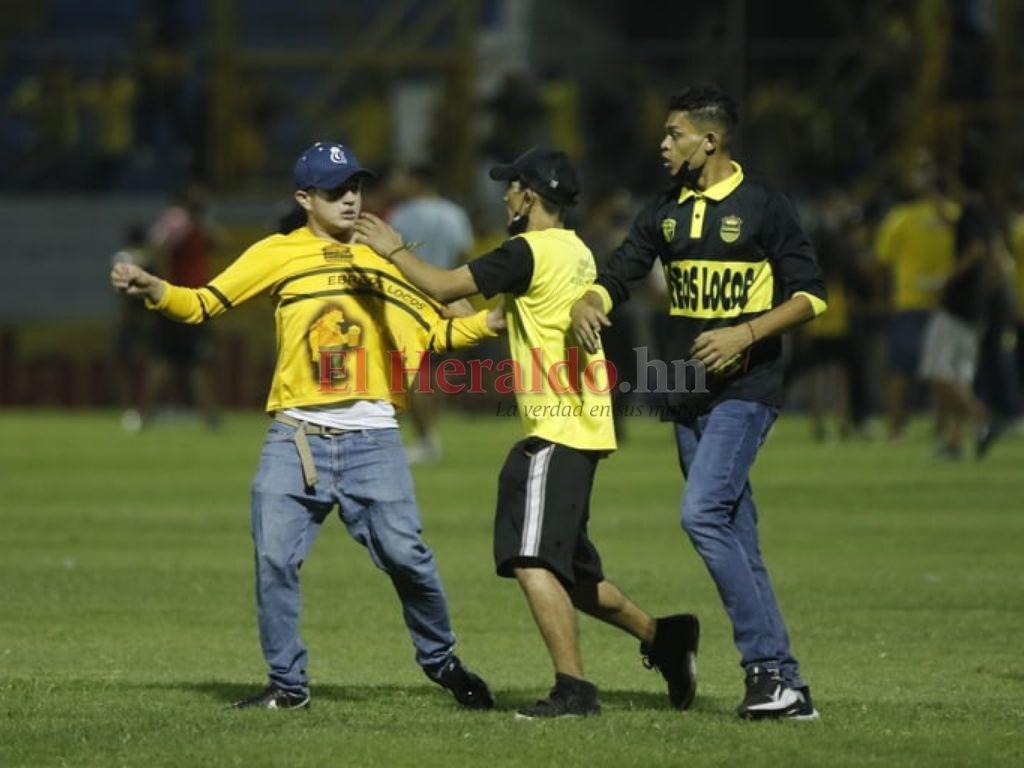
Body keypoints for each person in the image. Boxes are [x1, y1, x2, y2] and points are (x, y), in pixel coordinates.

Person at [111, 141, 501, 711]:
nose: (350, 199)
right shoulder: (275, 253)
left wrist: (494, 320)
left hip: (374, 437)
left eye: (356, 188)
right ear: (304, 198)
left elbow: (438, 334)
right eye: (335, 190)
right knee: (274, 557)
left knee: (408, 558)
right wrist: (156, 290)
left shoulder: (386, 256)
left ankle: (441, 660)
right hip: (296, 437)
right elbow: (202, 305)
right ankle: (288, 686)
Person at [354, 147, 699, 720]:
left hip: (556, 429)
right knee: (574, 573)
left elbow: (442, 287)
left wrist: (392, 251)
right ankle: (664, 637)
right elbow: (490, 311)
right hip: (583, 425)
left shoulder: (527, 250)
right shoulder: (574, 252)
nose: (505, 195)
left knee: (530, 558)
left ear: (530, 196)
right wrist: (458, 306)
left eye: (511, 186)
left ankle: (575, 691)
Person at [570, 86, 827, 721]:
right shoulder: (666, 211)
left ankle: (765, 669)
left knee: (702, 515)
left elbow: (811, 296)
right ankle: (786, 687)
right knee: (737, 534)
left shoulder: (764, 206)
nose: (663, 145)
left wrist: (746, 332)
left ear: (708, 141)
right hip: (687, 394)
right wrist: (591, 300)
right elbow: (623, 270)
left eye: (673, 134)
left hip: (747, 390)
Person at [387, 162, 474, 463]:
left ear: (416, 182)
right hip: (449, 297)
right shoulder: (454, 214)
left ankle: (426, 440)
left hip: (412, 298)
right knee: (435, 371)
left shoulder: (402, 215)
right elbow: (465, 256)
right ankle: (431, 434)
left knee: (415, 372)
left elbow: (393, 258)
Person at [874, 150, 960, 439]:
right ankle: (898, 425)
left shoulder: (949, 214)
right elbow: (884, 264)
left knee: (938, 370)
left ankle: (937, 425)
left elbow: (882, 264)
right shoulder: (901, 218)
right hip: (911, 303)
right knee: (904, 368)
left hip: (941, 304)